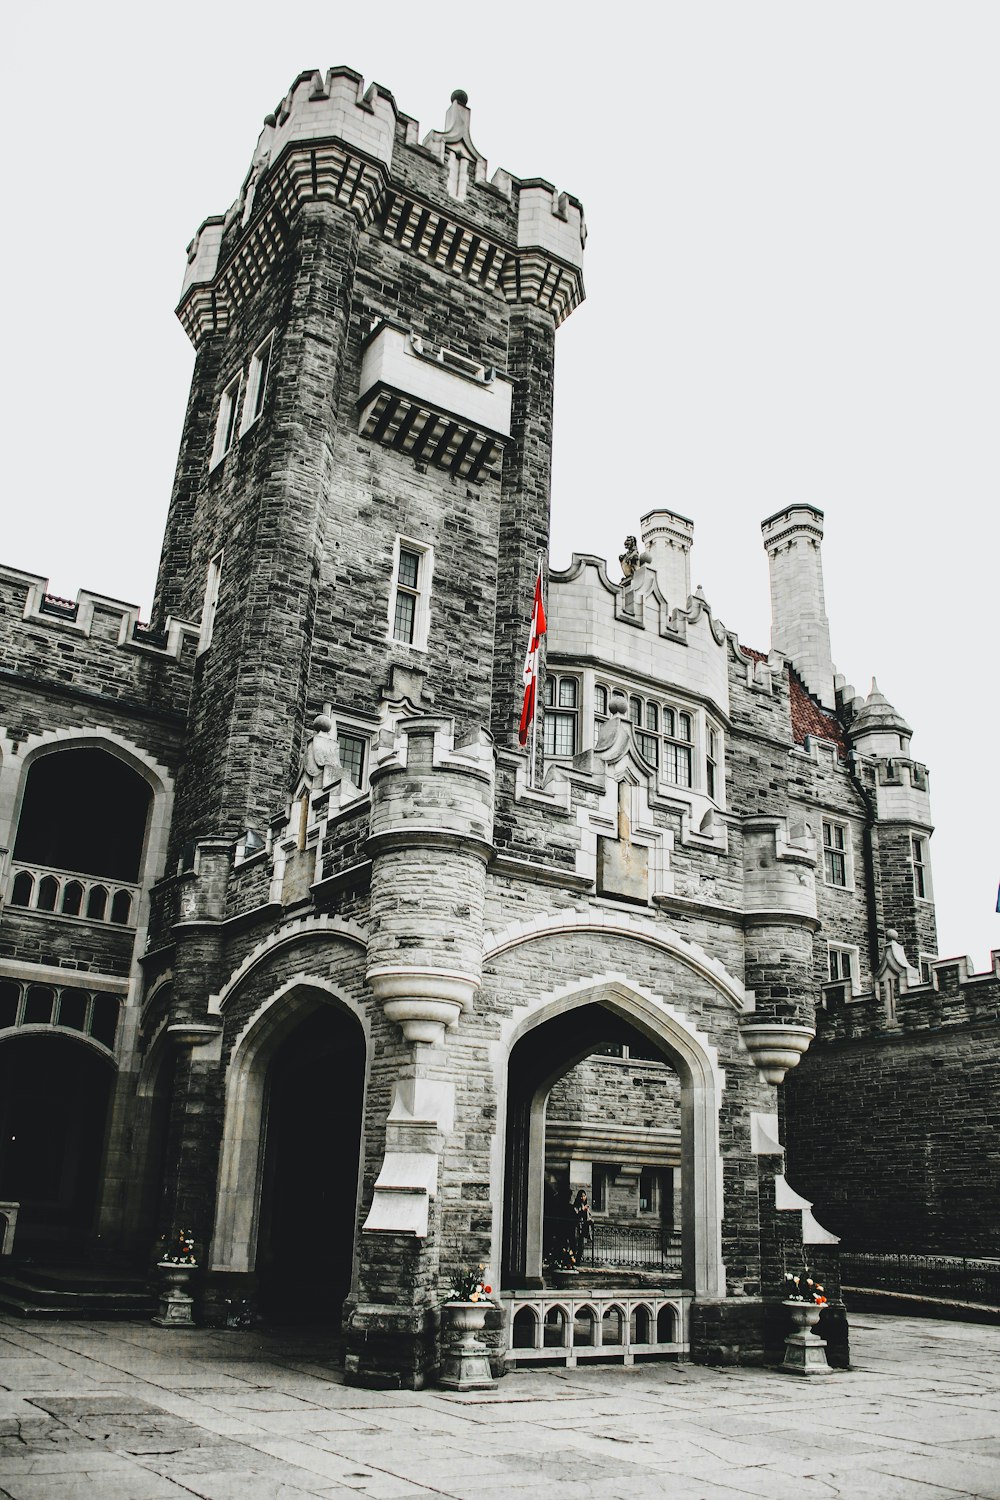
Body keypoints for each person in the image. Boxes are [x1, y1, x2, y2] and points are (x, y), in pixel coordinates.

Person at [572, 1189, 593, 1263]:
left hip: (583, 1228)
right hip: (577, 1228)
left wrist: (590, 1220)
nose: (582, 1198)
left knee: (581, 1247)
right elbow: (576, 1216)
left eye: (584, 1196)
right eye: (581, 1196)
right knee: (575, 1246)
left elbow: (588, 1216)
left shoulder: (585, 1206)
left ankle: (578, 1261)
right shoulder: (576, 1206)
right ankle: (572, 1261)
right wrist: (582, 1210)